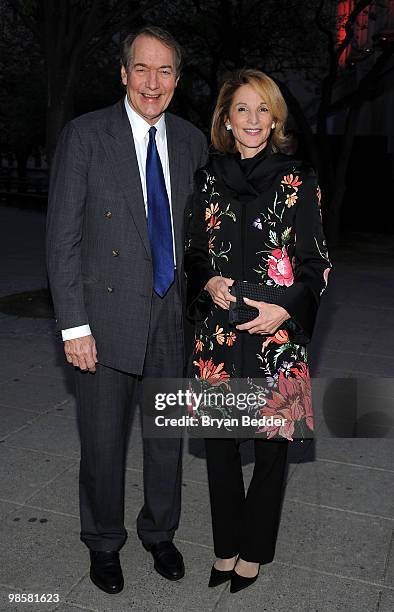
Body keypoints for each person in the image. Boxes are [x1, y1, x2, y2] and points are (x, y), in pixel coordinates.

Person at [46, 26, 207, 594]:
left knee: (167, 437)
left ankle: (161, 533)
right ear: (123, 73)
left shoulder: (191, 141)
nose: (153, 82)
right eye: (143, 68)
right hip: (104, 317)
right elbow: (61, 237)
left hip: (172, 316)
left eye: (166, 71)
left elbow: (199, 237)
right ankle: (104, 543)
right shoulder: (86, 136)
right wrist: (74, 325)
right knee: (103, 440)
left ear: (177, 80)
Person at [185, 69, 331, 594]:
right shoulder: (206, 178)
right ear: (226, 119)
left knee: (271, 453)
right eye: (241, 109)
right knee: (220, 451)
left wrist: (286, 310)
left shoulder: (298, 178)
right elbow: (193, 252)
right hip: (219, 340)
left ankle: (254, 553)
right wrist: (209, 280)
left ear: (274, 120)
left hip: (278, 340)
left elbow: (317, 264)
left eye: (262, 109)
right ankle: (226, 547)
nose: (252, 119)